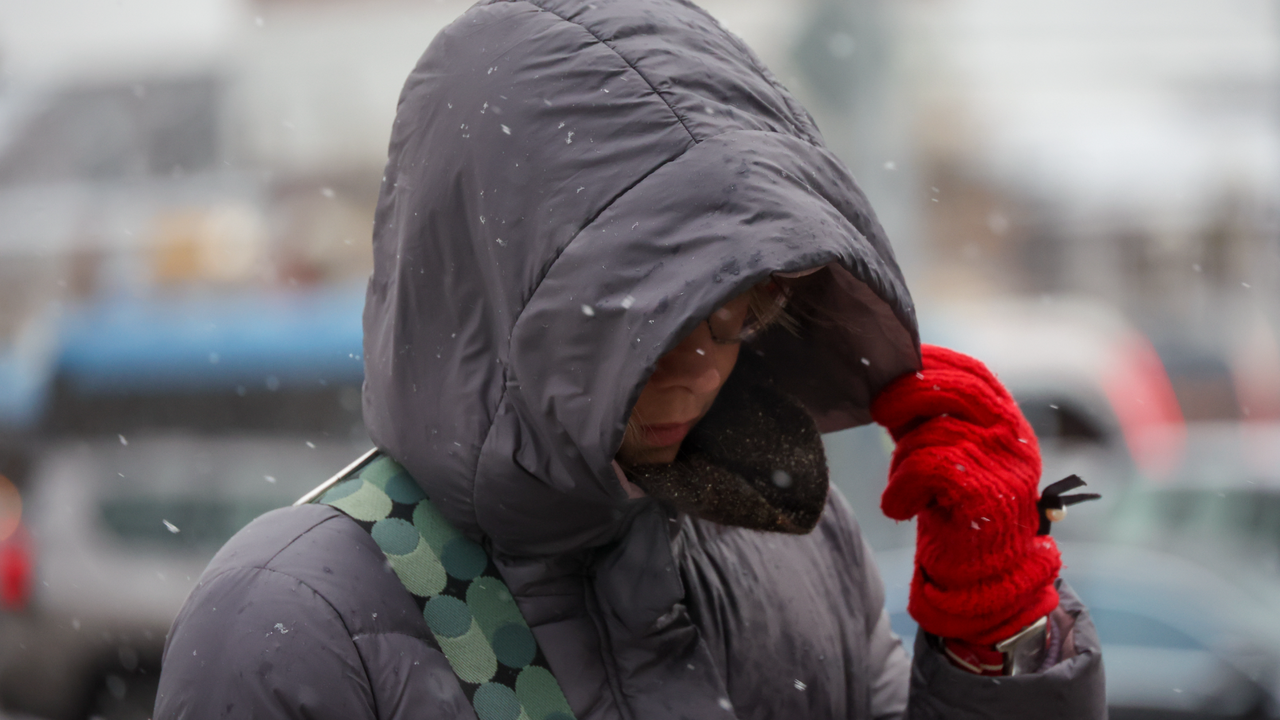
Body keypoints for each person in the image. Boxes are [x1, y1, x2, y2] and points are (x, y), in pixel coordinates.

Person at [155, 0, 1105, 717]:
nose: (699, 370)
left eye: (734, 319)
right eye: (641, 323)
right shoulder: (287, 622)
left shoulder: (803, 545)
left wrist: (998, 634)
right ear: (496, 290)